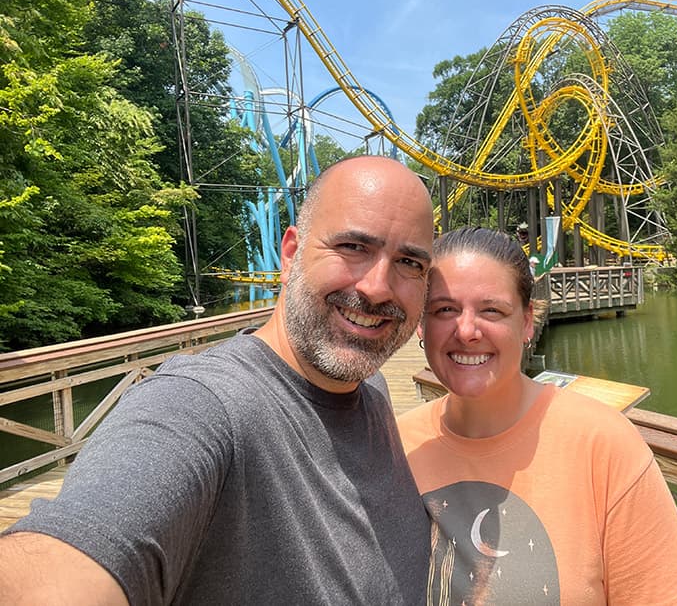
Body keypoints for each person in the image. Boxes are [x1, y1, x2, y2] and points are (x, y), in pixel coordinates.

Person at [0, 156, 436, 605]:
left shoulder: (373, 391)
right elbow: (72, 559)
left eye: (408, 262)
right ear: (291, 255)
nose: (379, 287)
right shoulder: (201, 405)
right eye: (352, 247)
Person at [398, 227, 677, 605]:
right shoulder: (397, 447)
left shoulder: (603, 444)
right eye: (445, 310)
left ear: (527, 321)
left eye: (491, 310)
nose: (466, 331)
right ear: (421, 324)